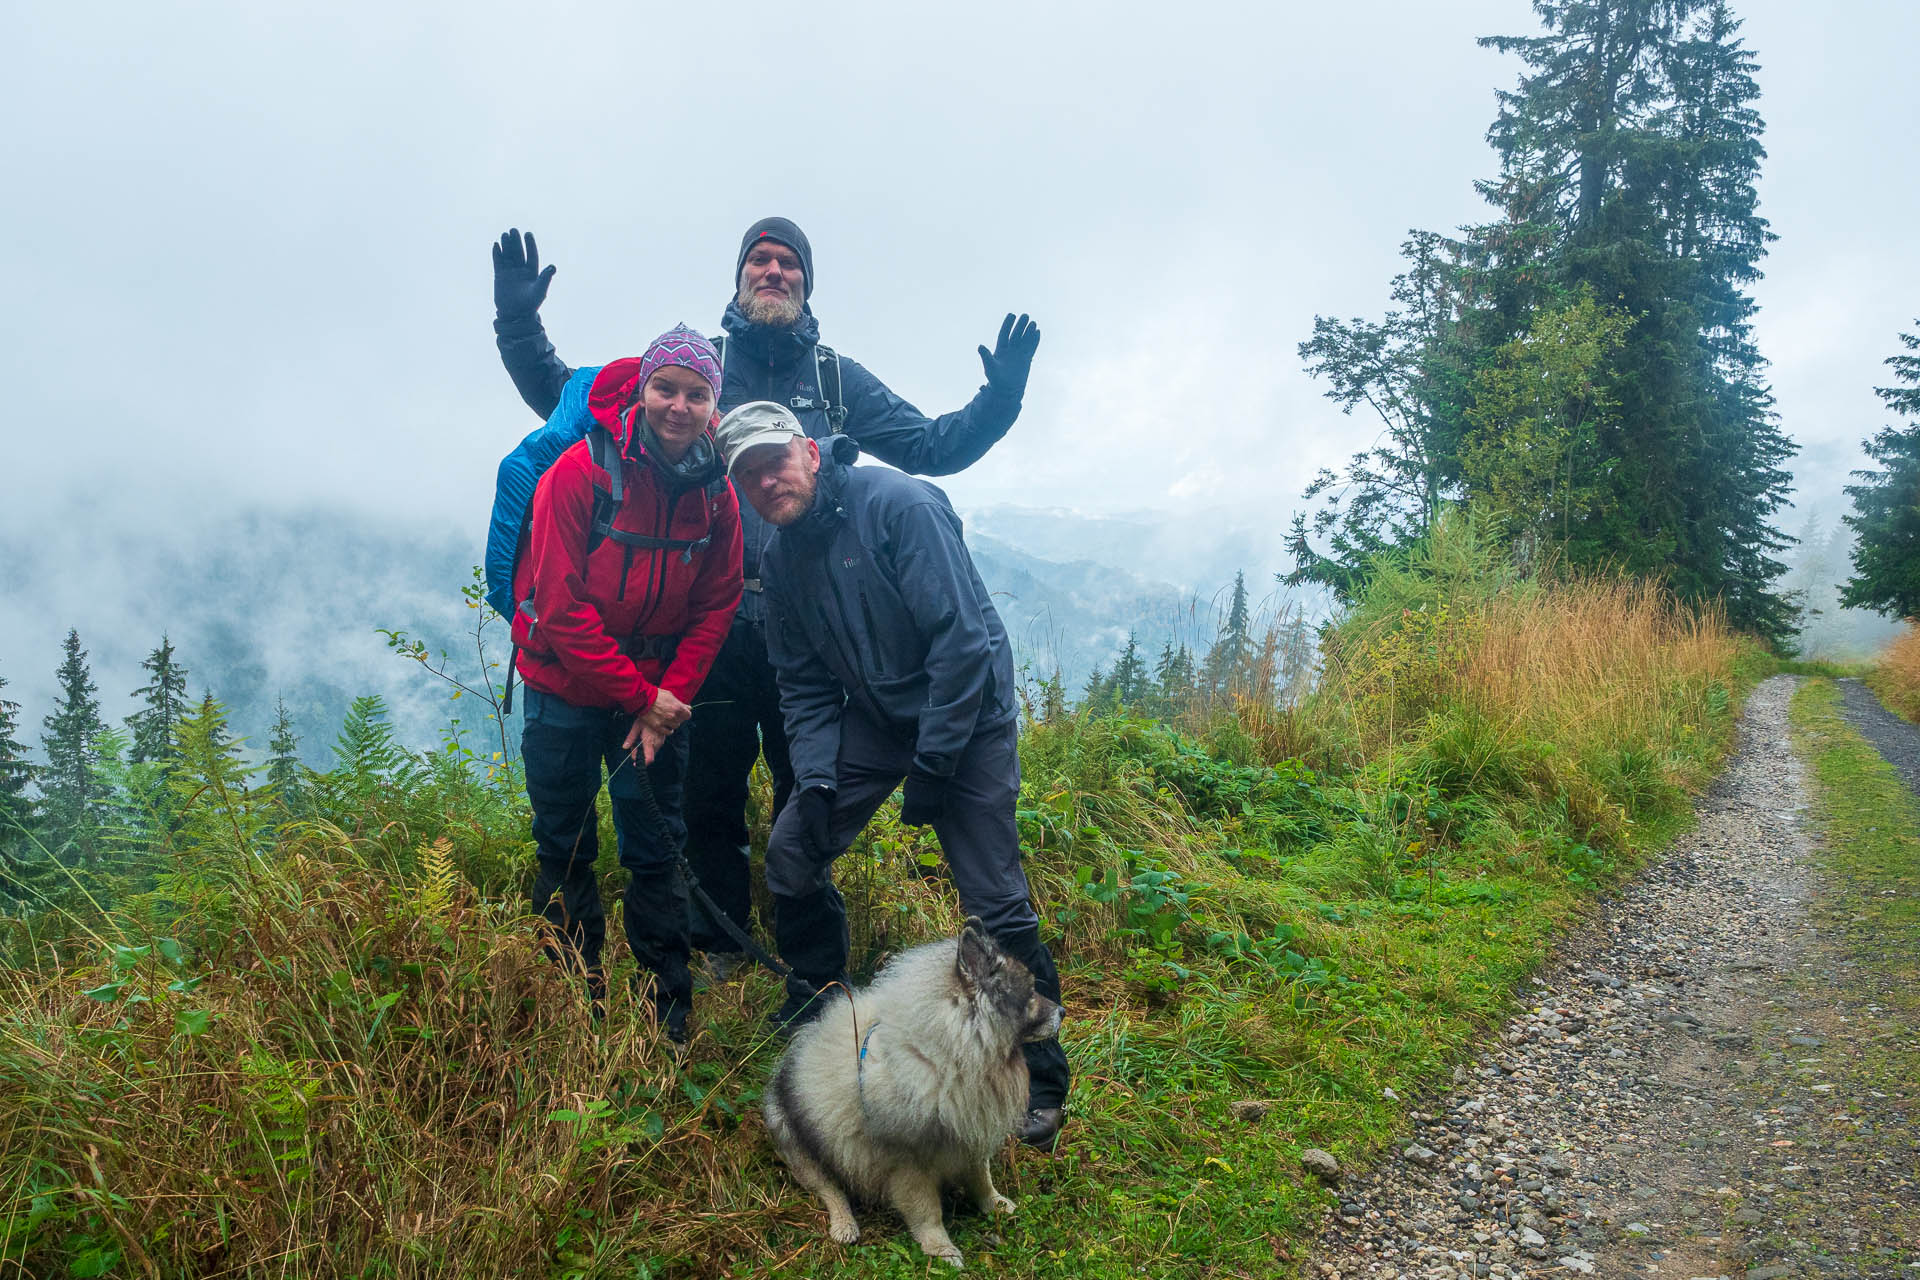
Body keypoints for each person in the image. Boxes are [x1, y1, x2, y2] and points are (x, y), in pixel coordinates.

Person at [490, 219, 1040, 974]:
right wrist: (519, 324)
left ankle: (805, 948)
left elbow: (933, 447)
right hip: (708, 629)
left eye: (788, 263)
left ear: (806, 285)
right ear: (739, 278)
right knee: (708, 791)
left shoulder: (836, 381)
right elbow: (571, 400)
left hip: (804, 631)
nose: (773, 271)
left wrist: (1000, 397)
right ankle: (720, 942)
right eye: (759, 260)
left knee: (804, 786)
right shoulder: (700, 373)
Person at [715, 400, 1070, 1149]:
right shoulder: (780, 561)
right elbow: (804, 685)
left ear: (810, 451)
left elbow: (963, 644)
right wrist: (814, 783)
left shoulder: (898, 505)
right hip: (878, 720)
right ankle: (819, 997)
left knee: (995, 902)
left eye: (774, 458)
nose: (766, 478)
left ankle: (1040, 1077)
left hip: (967, 716)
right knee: (791, 849)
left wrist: (936, 765)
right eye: (748, 472)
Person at [511, 325, 742, 1044]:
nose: (679, 405)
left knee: (657, 851)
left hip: (655, 705)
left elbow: (716, 604)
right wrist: (642, 699)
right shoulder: (579, 473)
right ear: (641, 393)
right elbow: (559, 604)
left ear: (715, 404)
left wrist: (664, 705)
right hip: (564, 693)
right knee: (566, 847)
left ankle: (666, 1018)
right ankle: (580, 1012)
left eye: (696, 393)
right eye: (666, 388)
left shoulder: (717, 494)